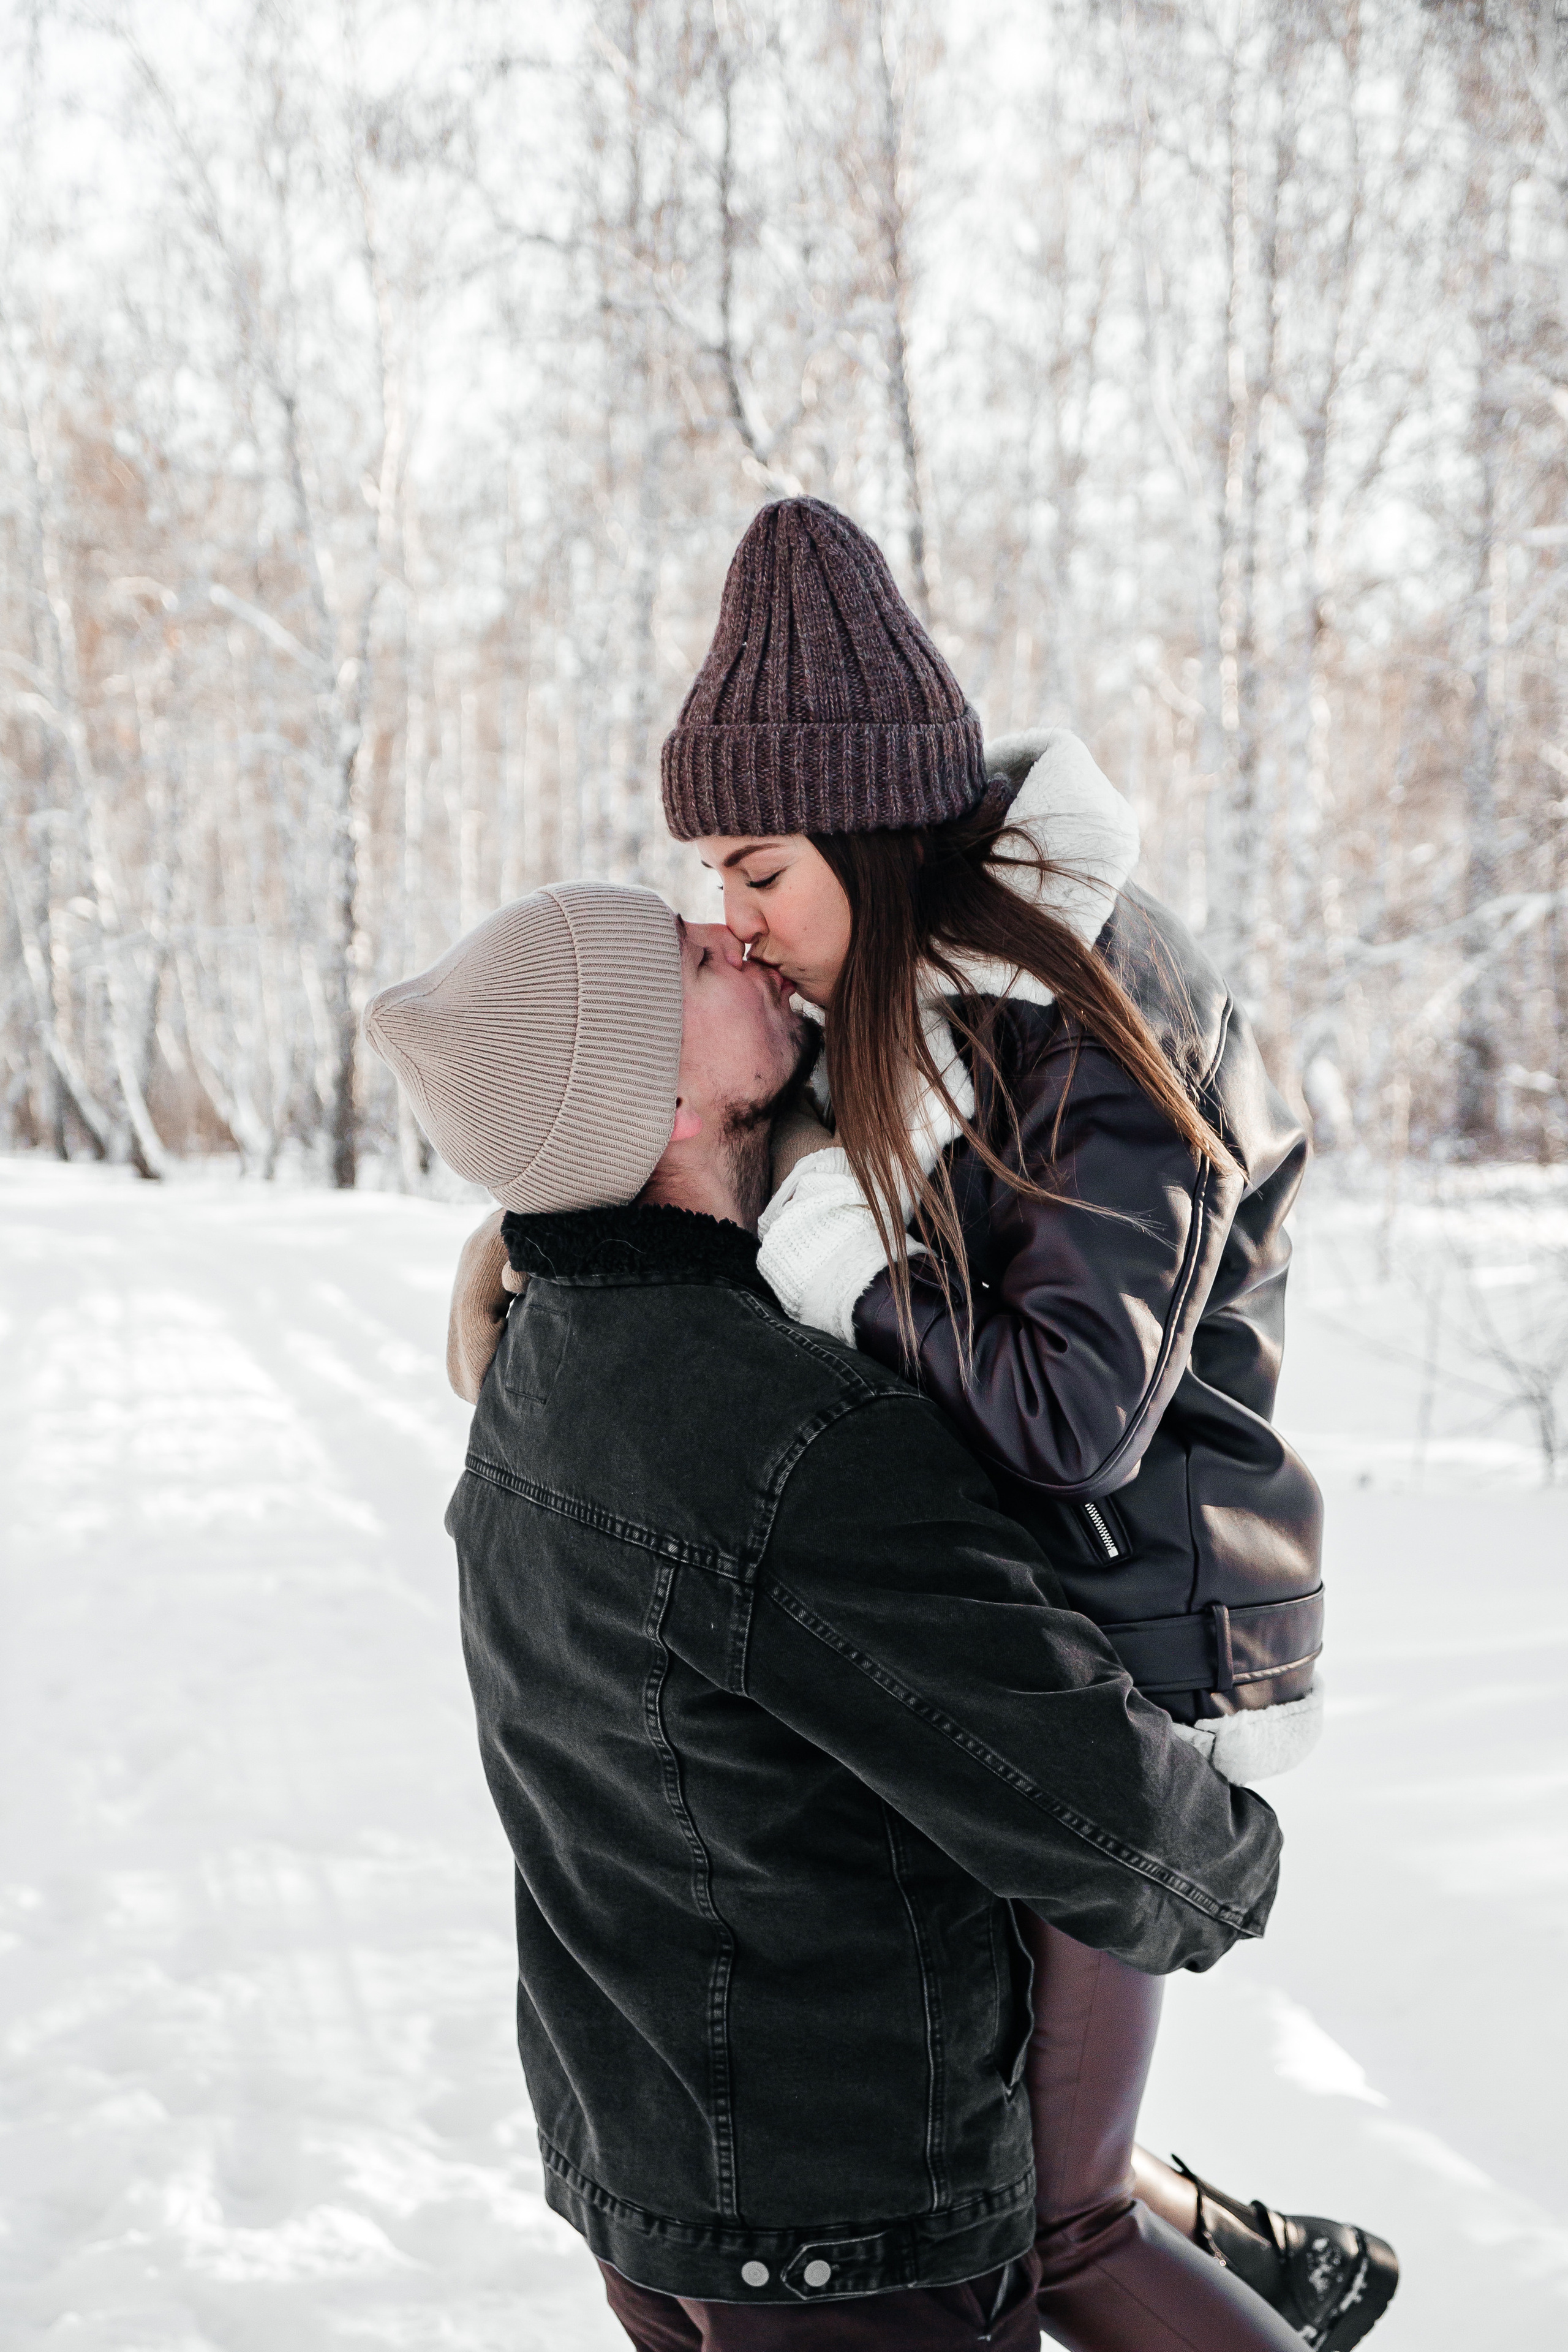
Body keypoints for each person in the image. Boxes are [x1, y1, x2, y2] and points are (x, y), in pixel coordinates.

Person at [448, 500, 1398, 2351]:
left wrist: (823, 1261)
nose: (730, 922)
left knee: (1052, 2229)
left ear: (874, 834)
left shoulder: (1098, 1009)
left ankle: (1209, 2251)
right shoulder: (908, 997)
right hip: (980, 1632)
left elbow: (1063, 1414)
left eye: (755, 871)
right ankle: (1215, 2221)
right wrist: (547, 1251)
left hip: (1121, 1631)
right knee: (1023, 2160)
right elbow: (674, 1147)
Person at [363, 880, 1291, 2352]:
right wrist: (1225, 1854)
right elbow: (1109, 1826)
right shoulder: (779, 1437)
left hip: (653, 2185)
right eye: (687, 957)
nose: (730, 932)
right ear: (653, 1096)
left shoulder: (539, 1362)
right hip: (842, 2227)